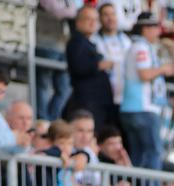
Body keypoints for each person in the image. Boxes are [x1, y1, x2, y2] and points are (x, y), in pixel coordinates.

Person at [118, 12, 166, 171]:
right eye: (155, 27)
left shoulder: (135, 46)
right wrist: (164, 69)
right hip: (142, 108)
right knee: (152, 153)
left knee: (138, 155)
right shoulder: (141, 47)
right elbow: (144, 74)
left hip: (132, 108)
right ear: (145, 28)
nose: (158, 32)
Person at [64, 5, 115, 125]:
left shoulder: (87, 42)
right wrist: (99, 65)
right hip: (88, 102)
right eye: (88, 19)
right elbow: (79, 67)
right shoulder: (76, 42)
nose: (92, 23)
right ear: (78, 22)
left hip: (97, 102)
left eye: (95, 20)